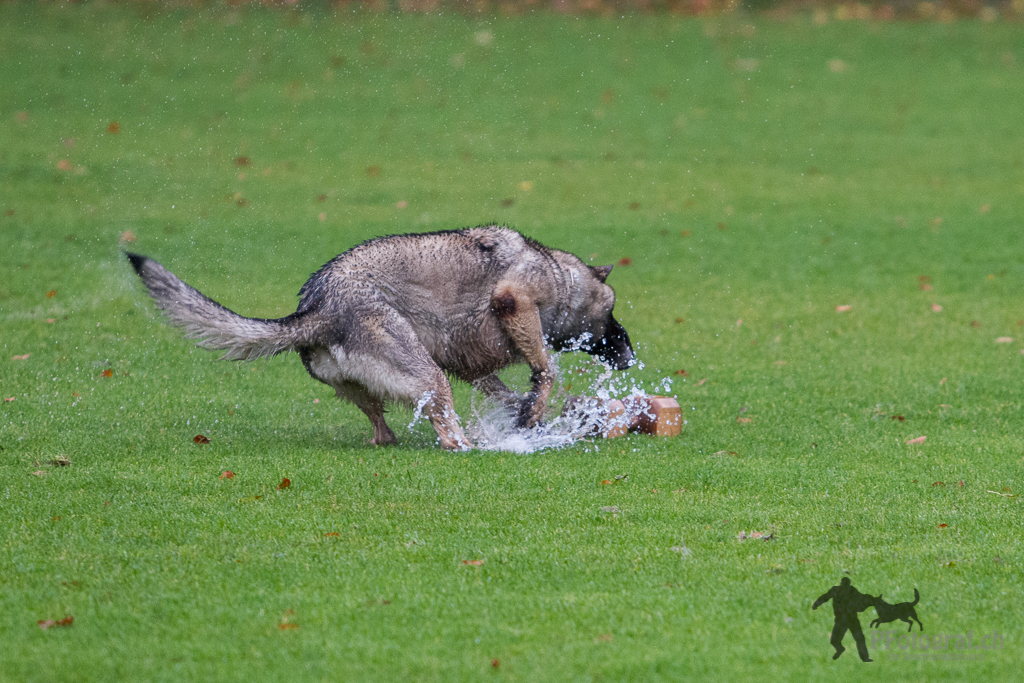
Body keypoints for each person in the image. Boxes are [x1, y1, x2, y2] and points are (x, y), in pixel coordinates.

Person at [812, 577, 874, 662]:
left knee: (859, 638)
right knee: (834, 640)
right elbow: (826, 596)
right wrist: (816, 603)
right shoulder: (836, 590)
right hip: (841, 619)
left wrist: (872, 601)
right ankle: (840, 649)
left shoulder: (852, 590)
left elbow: (862, 598)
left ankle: (865, 657)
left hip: (851, 618)